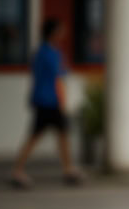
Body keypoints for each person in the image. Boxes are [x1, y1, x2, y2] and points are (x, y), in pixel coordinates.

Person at [11, 18, 82, 188]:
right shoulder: (53, 54)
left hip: (40, 99)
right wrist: (63, 103)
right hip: (52, 101)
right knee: (47, 136)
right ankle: (19, 170)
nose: (63, 34)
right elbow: (58, 80)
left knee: (55, 135)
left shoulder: (39, 53)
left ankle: (68, 169)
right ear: (53, 33)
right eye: (60, 31)